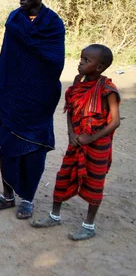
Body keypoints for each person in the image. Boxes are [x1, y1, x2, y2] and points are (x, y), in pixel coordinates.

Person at [0, 0, 65, 219]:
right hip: (12, 95)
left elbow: (55, 60)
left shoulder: (53, 24)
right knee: (7, 146)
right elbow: (8, 58)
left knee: (34, 149)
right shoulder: (14, 19)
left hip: (39, 98)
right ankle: (8, 196)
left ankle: (27, 199)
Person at [31, 44, 120, 240]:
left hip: (97, 146)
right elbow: (70, 109)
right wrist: (71, 132)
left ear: (99, 67)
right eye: (81, 58)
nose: (81, 63)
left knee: (95, 183)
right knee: (64, 175)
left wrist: (91, 138)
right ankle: (55, 216)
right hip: (77, 142)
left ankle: (88, 225)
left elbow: (114, 122)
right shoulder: (78, 83)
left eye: (87, 61)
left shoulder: (108, 90)